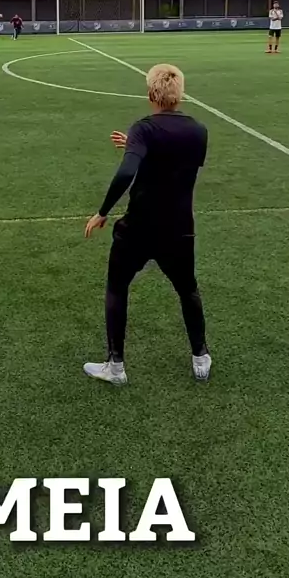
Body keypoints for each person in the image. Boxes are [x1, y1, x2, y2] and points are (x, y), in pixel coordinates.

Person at [84, 63, 211, 385]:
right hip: (179, 228)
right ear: (180, 93)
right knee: (188, 290)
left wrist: (102, 212)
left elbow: (128, 171)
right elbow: (174, 164)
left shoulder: (144, 129)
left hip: (139, 227)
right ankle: (201, 358)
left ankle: (116, 367)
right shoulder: (199, 130)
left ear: (150, 94)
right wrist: (138, 145)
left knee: (117, 287)